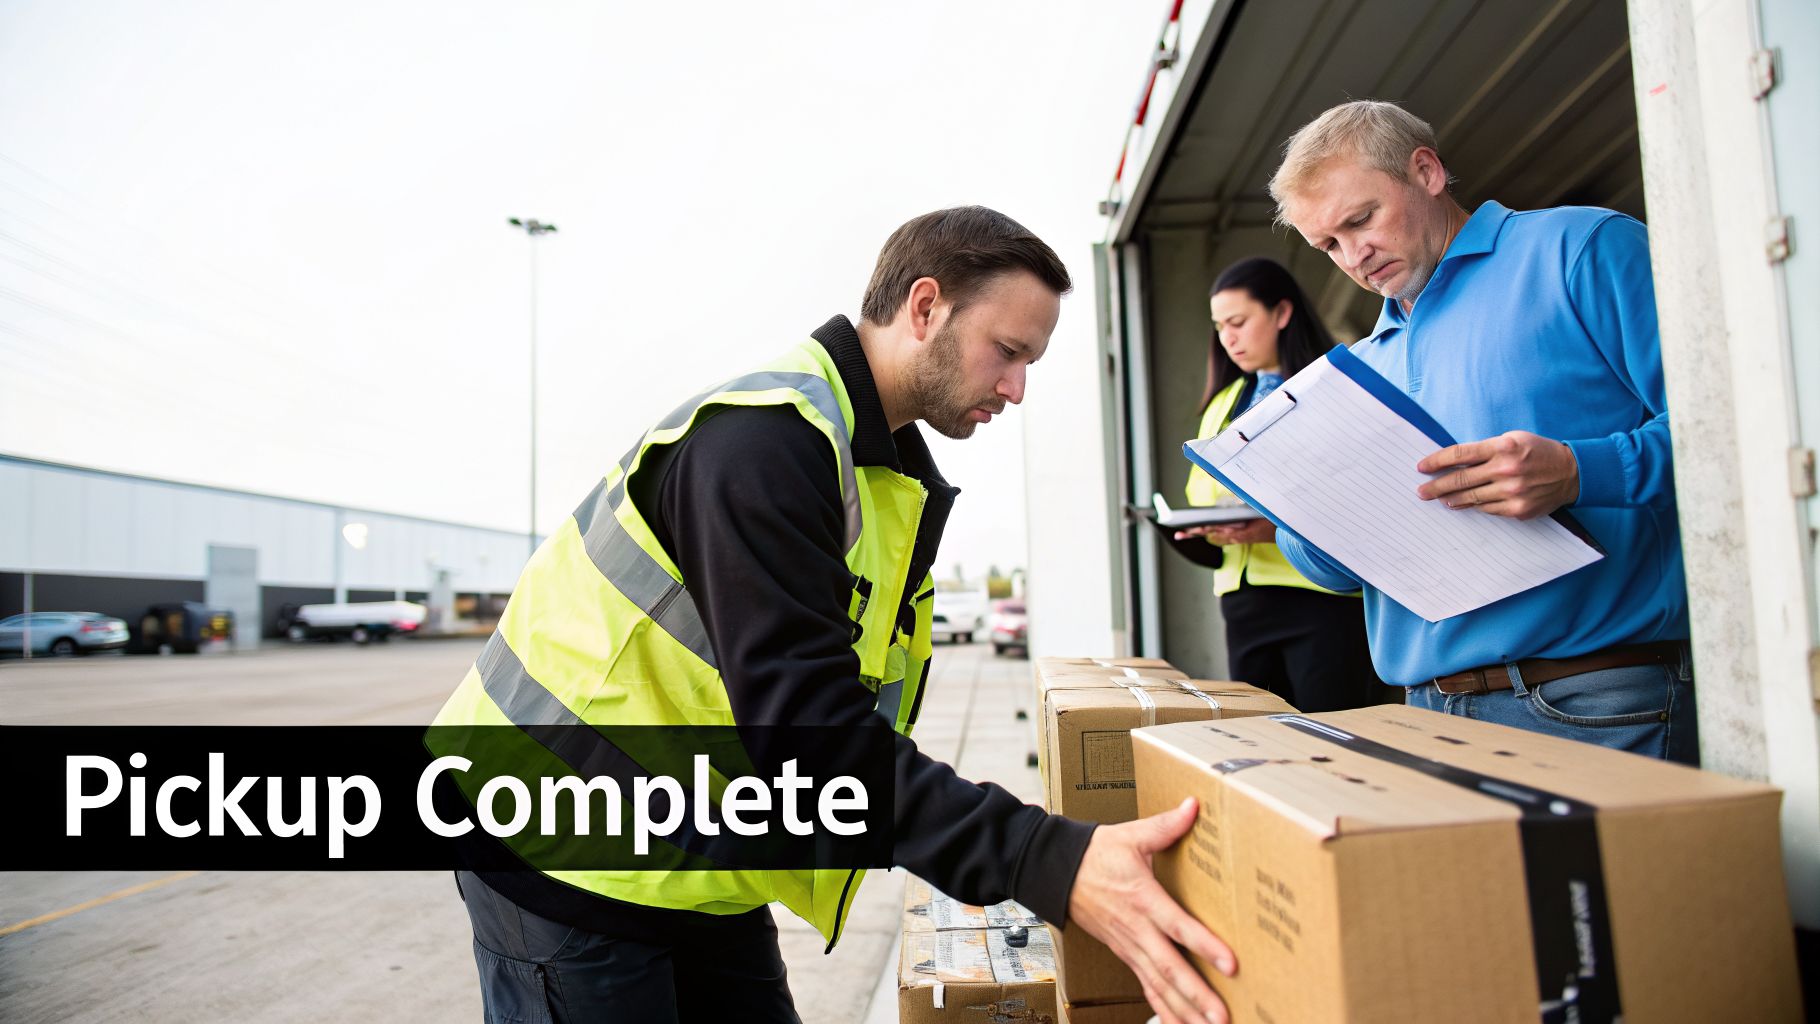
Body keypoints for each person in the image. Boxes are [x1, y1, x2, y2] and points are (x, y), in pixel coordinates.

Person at [432, 207, 1235, 1024]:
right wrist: (1051, 862)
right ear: (925, 308)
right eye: (1010, 352)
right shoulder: (763, 446)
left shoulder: (878, 474)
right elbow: (814, 737)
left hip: (688, 849)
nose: (1017, 388)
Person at [1265, 100, 1694, 763]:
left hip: (1595, 699)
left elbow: (1732, 438)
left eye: (1361, 219)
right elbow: (1336, 576)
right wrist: (1307, 523)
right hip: (1427, 716)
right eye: (1328, 244)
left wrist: (1581, 472)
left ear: (1427, 172)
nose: (1353, 256)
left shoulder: (1581, 251)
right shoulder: (1362, 367)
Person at [1171, 257, 1381, 712]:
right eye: (1220, 326)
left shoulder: (1333, 388)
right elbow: (1199, 490)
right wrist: (1206, 525)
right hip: (1243, 601)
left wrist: (1276, 527)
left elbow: (1360, 493)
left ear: (1282, 314)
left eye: (1239, 322)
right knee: (1260, 740)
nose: (1228, 337)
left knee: (1331, 739)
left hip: (1320, 596)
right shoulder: (1223, 402)